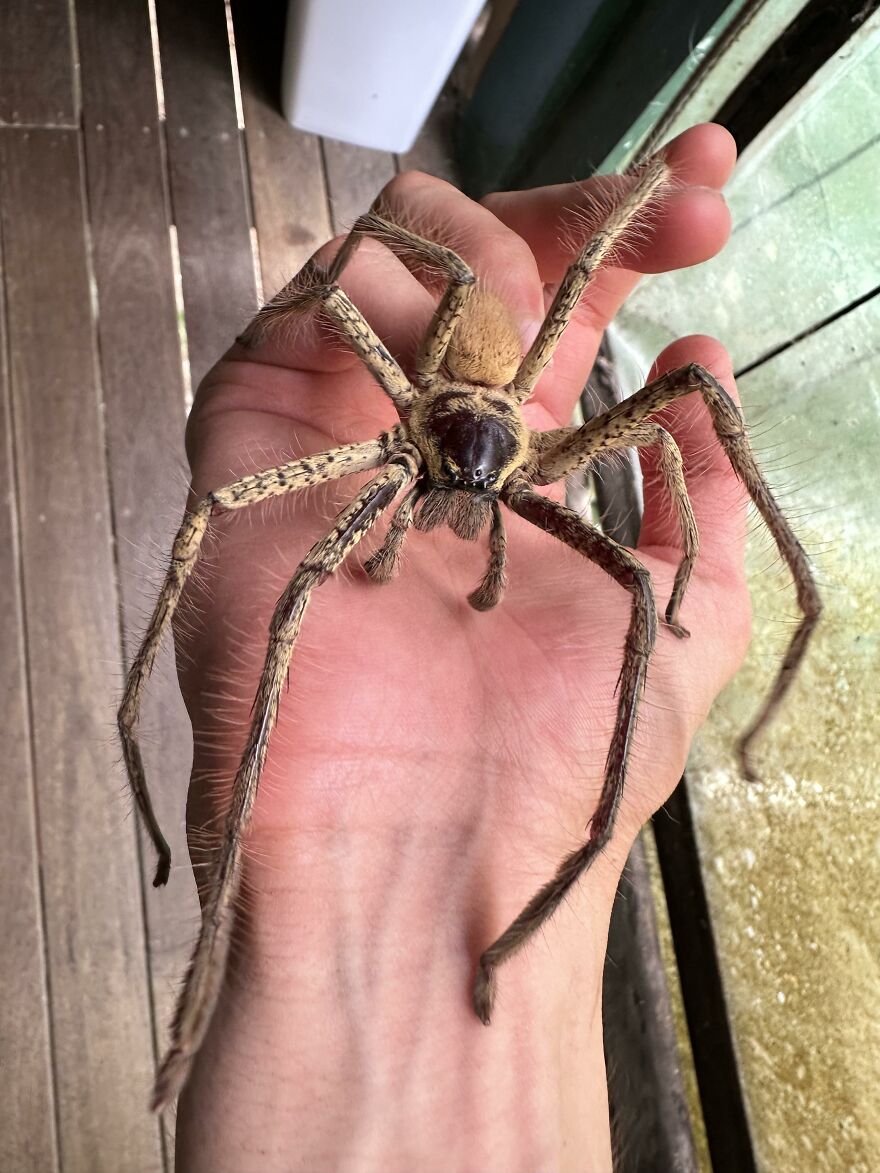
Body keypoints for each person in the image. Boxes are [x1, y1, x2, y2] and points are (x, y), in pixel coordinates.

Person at [173, 123, 749, 1171]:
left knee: (629, 560)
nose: (468, 505)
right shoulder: (393, 425)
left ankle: (535, 911)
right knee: (300, 578)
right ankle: (184, 1009)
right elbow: (331, 314)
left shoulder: (548, 451)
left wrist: (694, 598)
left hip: (508, 420)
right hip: (433, 395)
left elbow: (674, 413)